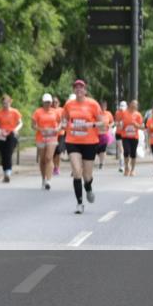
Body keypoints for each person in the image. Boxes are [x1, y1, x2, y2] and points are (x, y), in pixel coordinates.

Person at [61, 81, 102, 214]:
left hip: (90, 142)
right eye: (76, 87)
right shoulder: (69, 105)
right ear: (74, 90)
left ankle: (88, 188)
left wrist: (91, 125)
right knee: (77, 172)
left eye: (81, 87)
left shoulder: (93, 104)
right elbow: (64, 119)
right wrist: (64, 124)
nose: (78, 89)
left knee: (87, 175)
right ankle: (79, 203)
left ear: (85, 90)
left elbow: (102, 122)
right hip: (73, 141)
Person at [31, 93, 59, 190]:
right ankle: (43, 178)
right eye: (46, 102)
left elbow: (61, 123)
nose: (48, 104)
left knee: (48, 158)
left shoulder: (55, 112)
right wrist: (40, 129)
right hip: (41, 137)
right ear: (43, 102)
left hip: (52, 137)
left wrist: (57, 129)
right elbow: (33, 125)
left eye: (49, 102)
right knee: (42, 160)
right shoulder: (38, 112)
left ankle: (49, 180)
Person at [0, 95, 22, 183]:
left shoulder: (15, 112)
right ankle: (5, 173)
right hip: (2, 135)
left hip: (11, 134)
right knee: (3, 155)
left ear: (10, 102)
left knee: (8, 153)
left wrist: (15, 129)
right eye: (3, 103)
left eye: (6, 103)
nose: (5, 105)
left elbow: (20, 123)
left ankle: (8, 173)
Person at [119, 100, 143, 177]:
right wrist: (120, 125)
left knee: (133, 154)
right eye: (133, 104)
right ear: (130, 104)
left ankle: (132, 170)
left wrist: (136, 125)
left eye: (135, 105)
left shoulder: (138, 115)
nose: (134, 106)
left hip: (134, 136)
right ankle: (126, 167)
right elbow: (119, 123)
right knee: (126, 151)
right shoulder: (124, 113)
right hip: (125, 136)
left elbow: (142, 126)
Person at [96, 99, 114, 170]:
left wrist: (110, 125)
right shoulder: (97, 114)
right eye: (102, 106)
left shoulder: (108, 113)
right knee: (97, 150)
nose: (103, 107)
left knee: (103, 149)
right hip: (97, 134)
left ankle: (101, 163)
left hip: (105, 134)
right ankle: (100, 159)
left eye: (105, 106)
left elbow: (112, 122)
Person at [51, 96, 64, 176]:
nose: (54, 103)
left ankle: (57, 167)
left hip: (60, 133)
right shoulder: (50, 110)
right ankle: (53, 167)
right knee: (53, 152)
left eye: (56, 102)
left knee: (58, 151)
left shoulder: (62, 110)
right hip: (51, 134)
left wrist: (59, 127)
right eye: (53, 102)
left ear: (59, 103)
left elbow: (64, 120)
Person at [114, 100, 128, 172]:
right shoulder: (117, 112)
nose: (121, 109)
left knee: (126, 150)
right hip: (119, 133)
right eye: (121, 107)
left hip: (126, 134)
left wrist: (124, 124)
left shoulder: (127, 113)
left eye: (123, 107)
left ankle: (126, 164)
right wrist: (118, 123)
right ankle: (121, 165)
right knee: (121, 150)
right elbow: (115, 122)